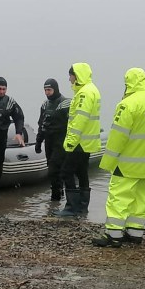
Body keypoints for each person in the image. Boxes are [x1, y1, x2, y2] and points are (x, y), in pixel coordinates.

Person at [92, 67, 145, 247]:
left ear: (128, 83)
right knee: (141, 198)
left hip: (126, 163)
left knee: (119, 197)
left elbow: (118, 136)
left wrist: (108, 161)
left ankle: (114, 235)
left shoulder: (127, 104)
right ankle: (135, 233)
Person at [53, 63, 102, 217]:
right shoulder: (92, 90)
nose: (69, 79)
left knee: (66, 172)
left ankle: (71, 208)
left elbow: (80, 119)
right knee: (82, 173)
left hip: (79, 142)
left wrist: (70, 141)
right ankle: (82, 207)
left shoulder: (84, 93)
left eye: (71, 75)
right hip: (88, 142)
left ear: (77, 75)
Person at [35, 78, 71, 201]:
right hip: (48, 140)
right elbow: (41, 124)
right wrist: (38, 142)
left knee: (53, 169)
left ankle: (55, 198)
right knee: (51, 166)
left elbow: (74, 123)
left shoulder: (65, 103)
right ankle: (59, 192)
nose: (47, 92)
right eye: (45, 90)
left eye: (49, 90)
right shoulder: (45, 105)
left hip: (61, 140)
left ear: (55, 89)